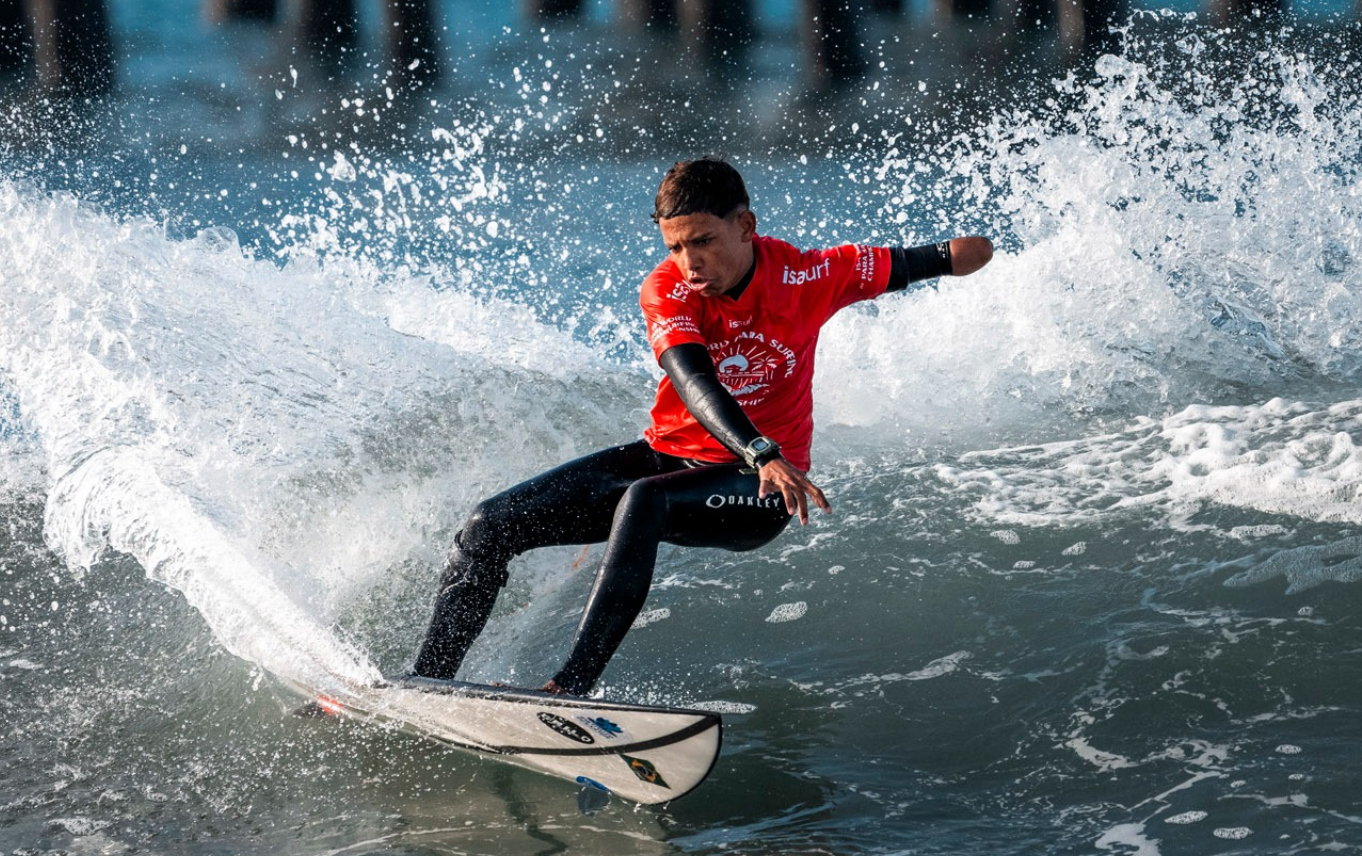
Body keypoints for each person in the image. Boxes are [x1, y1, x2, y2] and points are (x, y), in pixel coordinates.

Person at [408, 156, 993, 696]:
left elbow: (942, 257)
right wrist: (760, 446)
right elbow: (694, 378)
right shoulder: (667, 289)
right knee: (488, 526)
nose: (690, 263)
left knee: (642, 502)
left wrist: (972, 257)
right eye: (677, 247)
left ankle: (570, 689)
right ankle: (425, 685)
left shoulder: (812, 275)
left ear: (746, 225)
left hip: (760, 489)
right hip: (680, 458)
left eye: (704, 242)